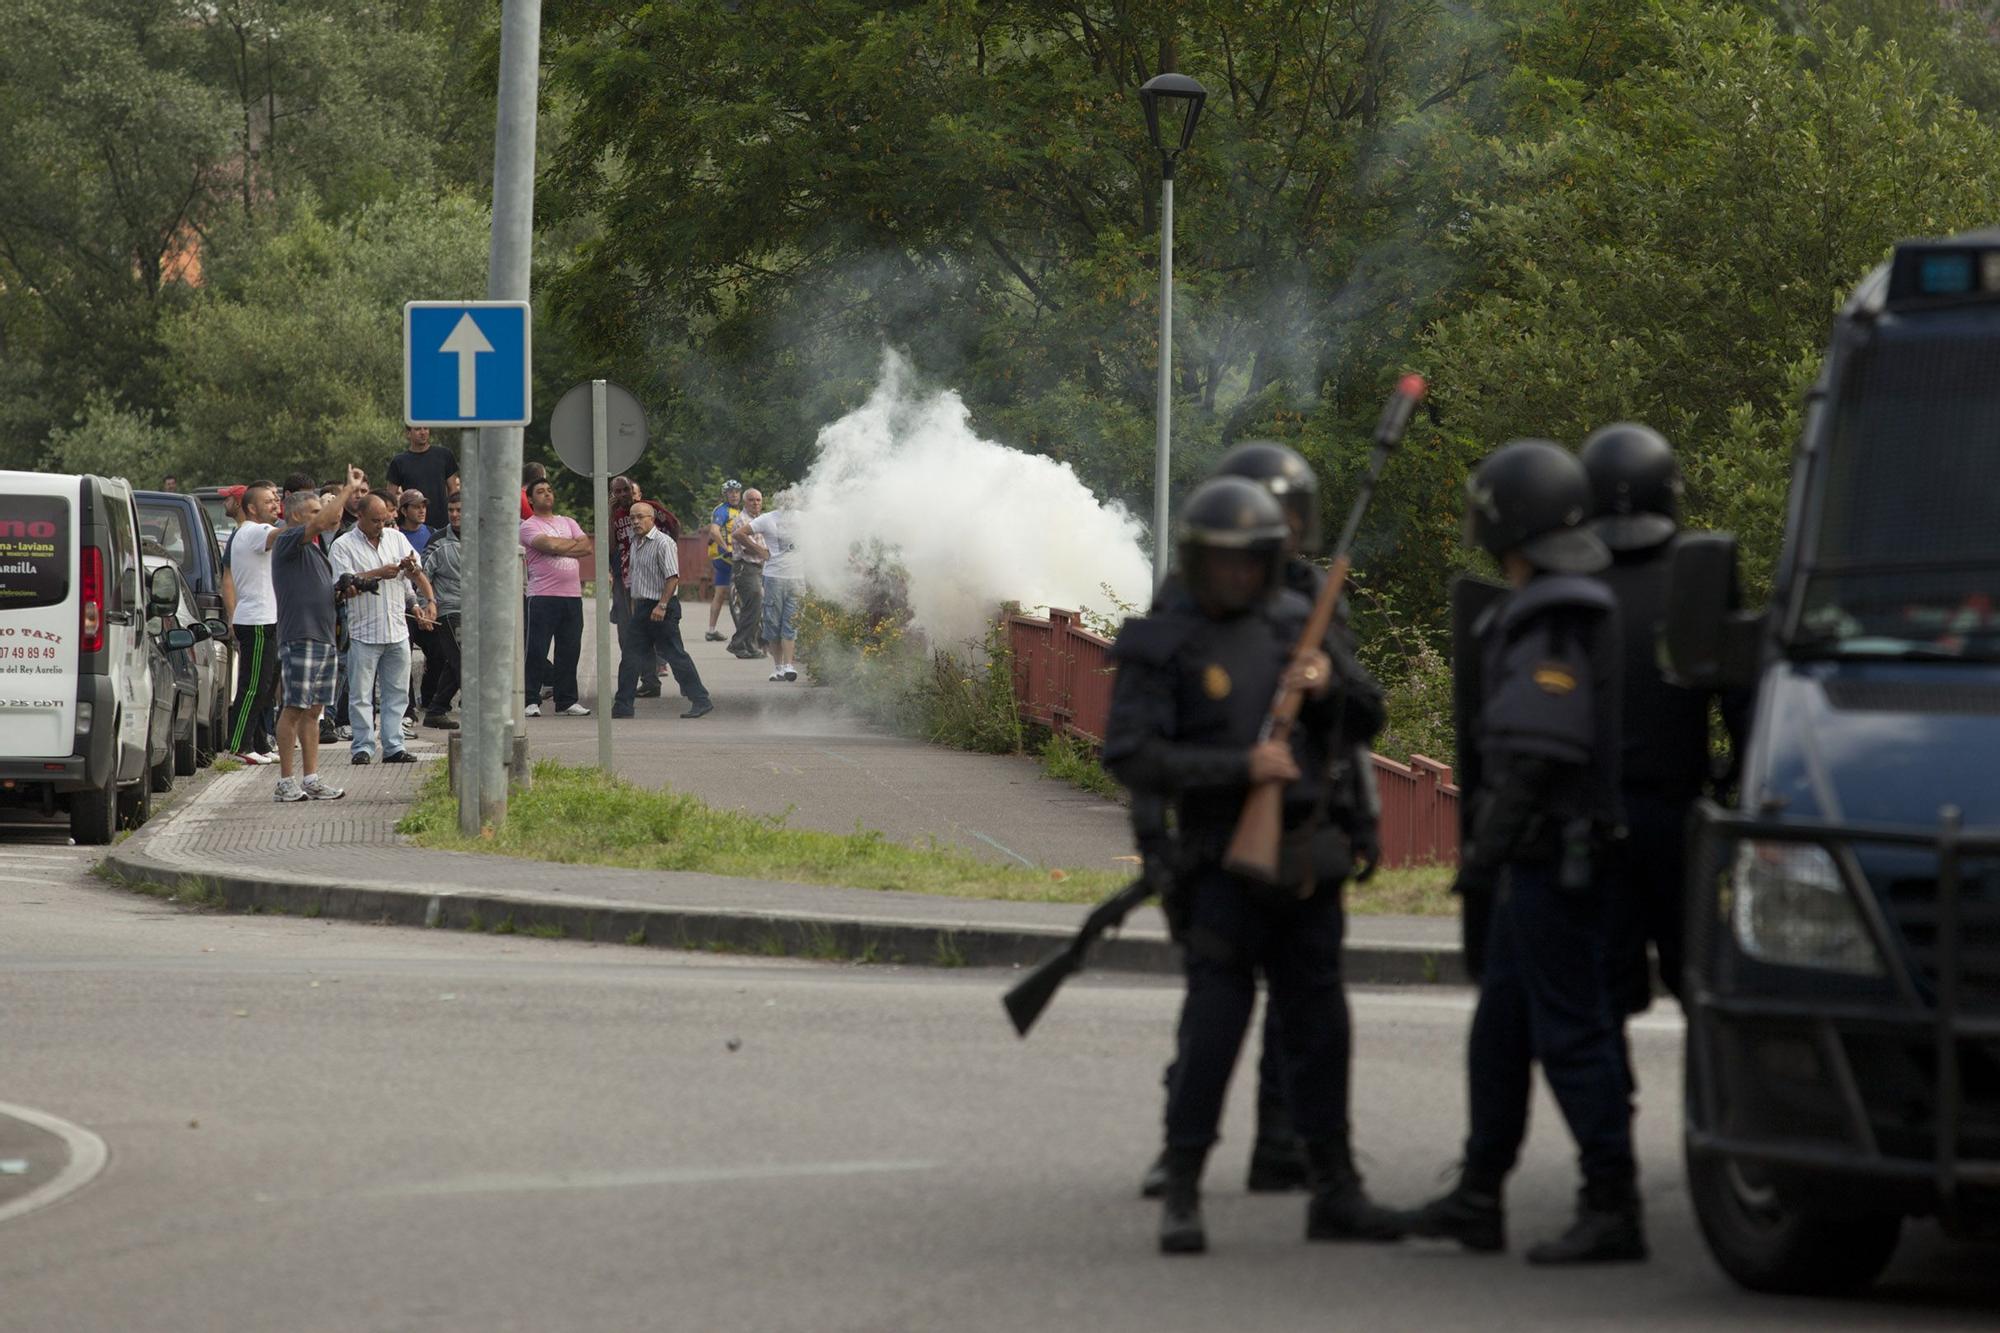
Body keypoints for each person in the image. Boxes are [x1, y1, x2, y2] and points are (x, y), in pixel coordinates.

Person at [1102, 477, 1404, 1256]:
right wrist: (1242, 767)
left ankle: (1335, 1187)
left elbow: (1369, 717)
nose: (1237, 575)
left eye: (1251, 562)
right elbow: (1130, 753)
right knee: (1213, 1031)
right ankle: (1183, 1188)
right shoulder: (1163, 639)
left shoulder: (1303, 624)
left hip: (1306, 863)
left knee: (1321, 1028)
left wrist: (1328, 684)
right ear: (1199, 561)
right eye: (1222, 561)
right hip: (1221, 869)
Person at [1402, 438, 1642, 1265]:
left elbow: (1540, 754)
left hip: (1549, 860)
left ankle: (1613, 1203)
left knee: (1570, 1034)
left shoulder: (1551, 618)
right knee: (1501, 1030)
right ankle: (1479, 1195)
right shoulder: (1560, 604)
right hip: (1539, 860)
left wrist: (1485, 853)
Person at [1579, 423, 1742, 1017]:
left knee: (1602, 988)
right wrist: (1730, 783)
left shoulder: (1570, 577)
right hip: (1677, 813)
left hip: (1593, 816)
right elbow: (1740, 693)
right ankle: (1715, 1104)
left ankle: (1608, 1109)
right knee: (1702, 981)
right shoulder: (1700, 571)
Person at [271, 468, 368, 802]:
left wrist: (342, 594)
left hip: (324, 638)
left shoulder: (315, 552)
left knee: (313, 711)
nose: (323, 517)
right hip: (301, 635)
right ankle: (285, 781)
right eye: (314, 511)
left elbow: (318, 592)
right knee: (293, 707)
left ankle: (311, 778)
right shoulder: (288, 539)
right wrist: (347, 490)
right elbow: (321, 520)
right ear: (297, 515)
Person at [329, 492, 435, 764]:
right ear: (360, 517)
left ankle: (393, 745)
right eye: (375, 520)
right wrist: (378, 572)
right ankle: (363, 747)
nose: (380, 525)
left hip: (397, 629)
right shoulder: (343, 545)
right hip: (364, 630)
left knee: (397, 693)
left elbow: (412, 578)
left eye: (384, 520)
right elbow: (340, 583)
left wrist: (414, 577)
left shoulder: (397, 538)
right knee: (361, 694)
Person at [612, 501, 713, 720]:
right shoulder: (634, 542)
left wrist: (662, 605)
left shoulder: (663, 543)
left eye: (640, 517)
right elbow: (637, 581)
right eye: (632, 518)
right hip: (642, 608)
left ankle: (701, 700)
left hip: (662, 606)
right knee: (630, 657)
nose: (636, 522)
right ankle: (622, 706)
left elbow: (673, 577)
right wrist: (635, 608)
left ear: (652, 519)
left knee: (675, 655)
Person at [219, 480, 282, 764]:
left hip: (267, 618)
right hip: (256, 620)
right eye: (269, 500)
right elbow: (281, 535)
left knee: (266, 688)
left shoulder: (253, 532)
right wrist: (307, 520)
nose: (275, 503)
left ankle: (259, 743)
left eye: (277, 498)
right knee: (253, 686)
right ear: (252, 508)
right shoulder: (255, 531)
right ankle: (239, 746)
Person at [520, 477, 593, 717]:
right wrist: (570, 545)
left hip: (572, 596)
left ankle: (567, 700)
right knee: (537, 650)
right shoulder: (529, 526)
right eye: (540, 491)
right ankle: (530, 700)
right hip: (542, 596)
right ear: (531, 499)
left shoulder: (568, 521)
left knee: (569, 650)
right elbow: (547, 544)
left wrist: (559, 545)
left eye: (549, 490)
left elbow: (587, 548)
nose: (547, 494)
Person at [608, 475, 661, 698]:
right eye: (617, 491)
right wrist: (610, 516)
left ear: (633, 490)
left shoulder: (646, 511)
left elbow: (672, 527)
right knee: (625, 632)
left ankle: (649, 680)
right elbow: (610, 546)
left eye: (625, 490)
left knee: (645, 630)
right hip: (623, 576)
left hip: (646, 577)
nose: (622, 495)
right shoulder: (614, 516)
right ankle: (640, 680)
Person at [417, 492, 466, 728]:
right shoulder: (438, 541)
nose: (455, 515)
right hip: (448, 611)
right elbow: (421, 575)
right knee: (466, 661)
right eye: (451, 510)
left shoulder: (483, 537)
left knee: (455, 661)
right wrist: (425, 606)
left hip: (476, 612)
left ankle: (436, 709)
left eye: (460, 510)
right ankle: (483, 710)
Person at [746, 499, 801, 681]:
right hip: (774, 577)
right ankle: (778, 667)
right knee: (773, 622)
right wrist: (760, 550)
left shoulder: (804, 518)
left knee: (791, 623)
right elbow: (739, 533)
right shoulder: (767, 519)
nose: (790, 502)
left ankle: (789, 666)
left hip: (797, 578)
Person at [386, 426, 458, 533]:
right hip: (412, 527)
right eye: (418, 429)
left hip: (442, 524)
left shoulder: (444, 455)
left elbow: (454, 492)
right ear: (408, 433)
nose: (423, 432)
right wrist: (391, 521)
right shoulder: (399, 461)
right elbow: (389, 497)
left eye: (426, 428)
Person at [726, 488, 767, 658]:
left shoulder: (759, 520)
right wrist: (766, 552)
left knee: (754, 608)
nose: (755, 503)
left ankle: (750, 645)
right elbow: (748, 549)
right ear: (745, 502)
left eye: (758, 500)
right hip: (746, 568)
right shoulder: (742, 521)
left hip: (757, 568)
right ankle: (737, 643)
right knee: (753, 606)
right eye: (751, 500)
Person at [704, 479, 743, 642]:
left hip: (725, 557)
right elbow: (713, 531)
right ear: (725, 494)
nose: (734, 495)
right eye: (730, 492)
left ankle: (711, 630)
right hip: (725, 557)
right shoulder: (722, 511)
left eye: (736, 492)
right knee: (743, 590)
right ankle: (744, 629)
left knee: (720, 593)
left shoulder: (738, 511)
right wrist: (725, 548)